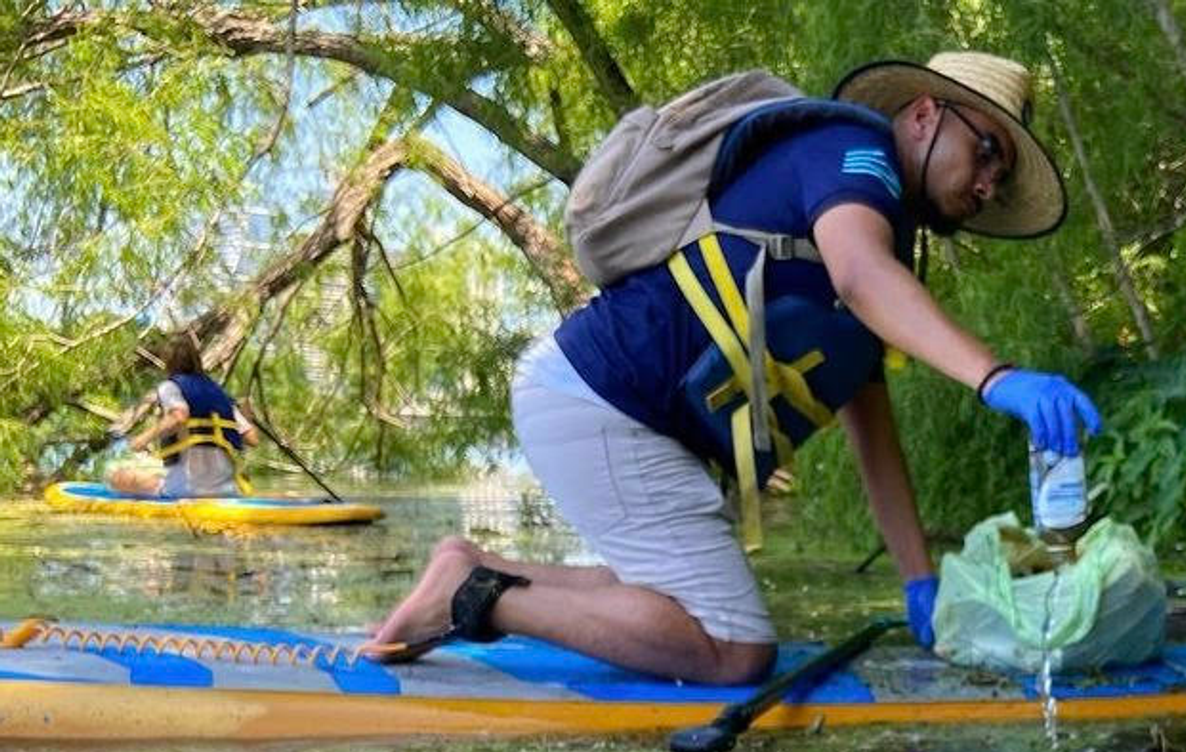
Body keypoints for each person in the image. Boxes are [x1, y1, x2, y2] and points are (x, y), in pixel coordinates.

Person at [365, 50, 1102, 682]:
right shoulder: (856, 151)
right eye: (987, 153)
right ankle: (474, 594)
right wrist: (998, 376)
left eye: (1000, 180)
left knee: (667, 602)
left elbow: (870, 425)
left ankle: (470, 566)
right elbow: (860, 278)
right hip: (608, 403)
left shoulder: (874, 234)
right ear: (922, 116)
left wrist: (918, 580)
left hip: (605, 408)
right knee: (734, 649)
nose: (989, 185)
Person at [112, 334, 259, 497]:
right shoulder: (219, 394)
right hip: (228, 488)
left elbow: (179, 416)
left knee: (117, 477)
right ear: (197, 360)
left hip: (187, 488)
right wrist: (247, 416)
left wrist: (142, 439)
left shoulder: (170, 387)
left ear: (168, 362)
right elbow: (252, 438)